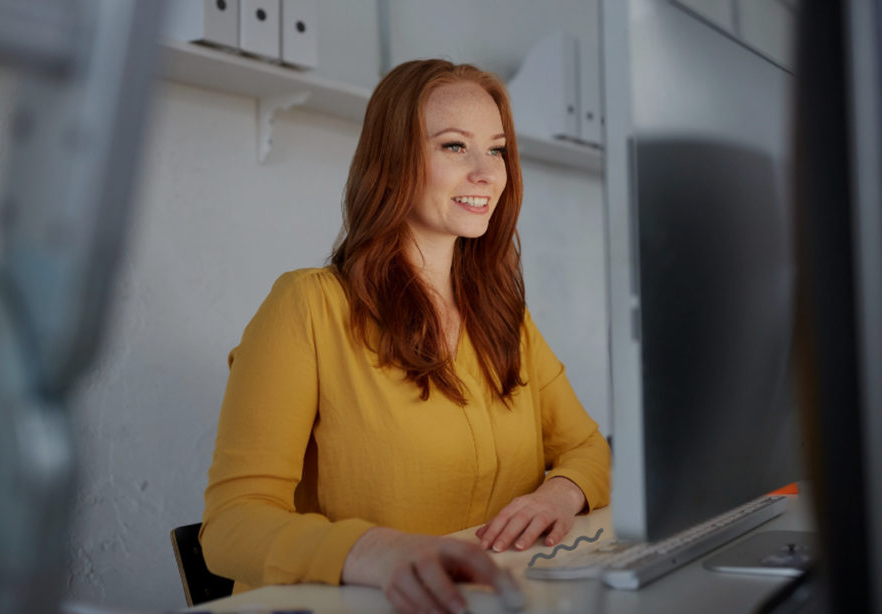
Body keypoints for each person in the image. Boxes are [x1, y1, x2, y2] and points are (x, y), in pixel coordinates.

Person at [200, 59, 611, 614]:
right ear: (392, 162)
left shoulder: (503, 316)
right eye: (453, 146)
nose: (487, 173)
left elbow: (590, 448)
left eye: (496, 149)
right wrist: (377, 551)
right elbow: (231, 524)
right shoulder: (306, 306)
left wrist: (560, 494)